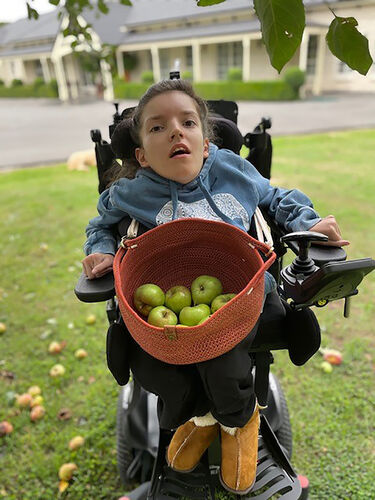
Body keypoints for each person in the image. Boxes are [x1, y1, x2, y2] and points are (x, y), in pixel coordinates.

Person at [82, 79, 349, 495]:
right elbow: (100, 224)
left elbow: (276, 197)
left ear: (206, 143)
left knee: (224, 361)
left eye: (187, 122)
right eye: (157, 128)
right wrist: (99, 251)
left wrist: (307, 223)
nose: (175, 131)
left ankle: (241, 425)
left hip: (241, 299)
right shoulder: (130, 193)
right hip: (172, 311)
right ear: (141, 156)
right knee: (155, 365)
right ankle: (201, 421)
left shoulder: (231, 170)